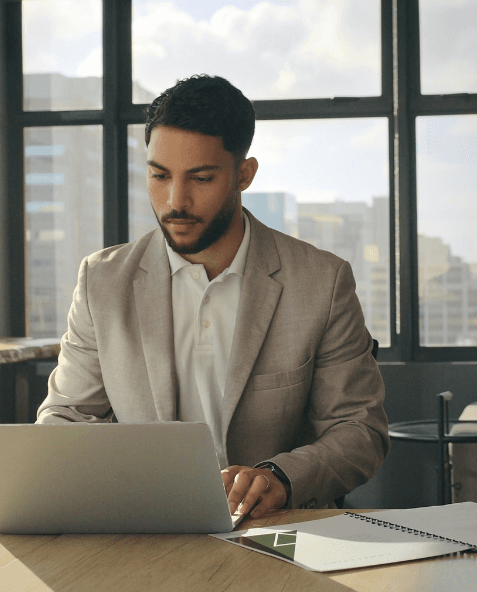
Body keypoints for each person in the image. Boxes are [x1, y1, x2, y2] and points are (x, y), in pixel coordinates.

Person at [35, 74, 389, 520]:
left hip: (279, 529)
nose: (174, 201)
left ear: (244, 174)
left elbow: (360, 431)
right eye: (159, 176)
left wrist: (281, 477)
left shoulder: (322, 282)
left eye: (200, 178)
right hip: (142, 528)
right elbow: (65, 418)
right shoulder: (102, 283)